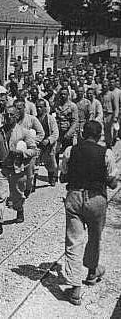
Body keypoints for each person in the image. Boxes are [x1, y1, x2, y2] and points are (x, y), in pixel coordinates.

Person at [59, 121, 118, 306]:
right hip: (96, 199)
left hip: (75, 197)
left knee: (74, 241)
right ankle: (92, 272)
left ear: (83, 133)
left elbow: (63, 176)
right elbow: (113, 182)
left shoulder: (70, 150)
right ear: (100, 134)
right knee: (94, 237)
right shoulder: (106, 153)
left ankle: (75, 288)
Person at [0, 106, 37, 223]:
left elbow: (34, 150)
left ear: (17, 116)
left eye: (12, 115)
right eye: (6, 114)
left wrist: (22, 153)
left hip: (17, 168)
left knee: (17, 193)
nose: (9, 117)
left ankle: (19, 209)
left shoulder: (24, 132)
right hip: (1, 169)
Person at [54, 88, 79, 174]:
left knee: (68, 154)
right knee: (54, 153)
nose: (63, 96)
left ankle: (67, 172)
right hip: (58, 133)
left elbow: (75, 122)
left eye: (64, 94)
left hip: (68, 133)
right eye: (61, 94)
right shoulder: (56, 105)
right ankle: (54, 174)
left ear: (68, 95)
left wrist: (69, 134)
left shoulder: (72, 106)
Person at [35, 99, 59, 187]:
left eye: (40, 107)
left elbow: (55, 133)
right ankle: (32, 183)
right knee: (35, 163)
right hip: (38, 144)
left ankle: (52, 177)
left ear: (45, 108)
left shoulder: (50, 119)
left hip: (49, 145)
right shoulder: (34, 119)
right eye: (37, 107)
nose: (38, 109)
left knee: (50, 163)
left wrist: (49, 140)